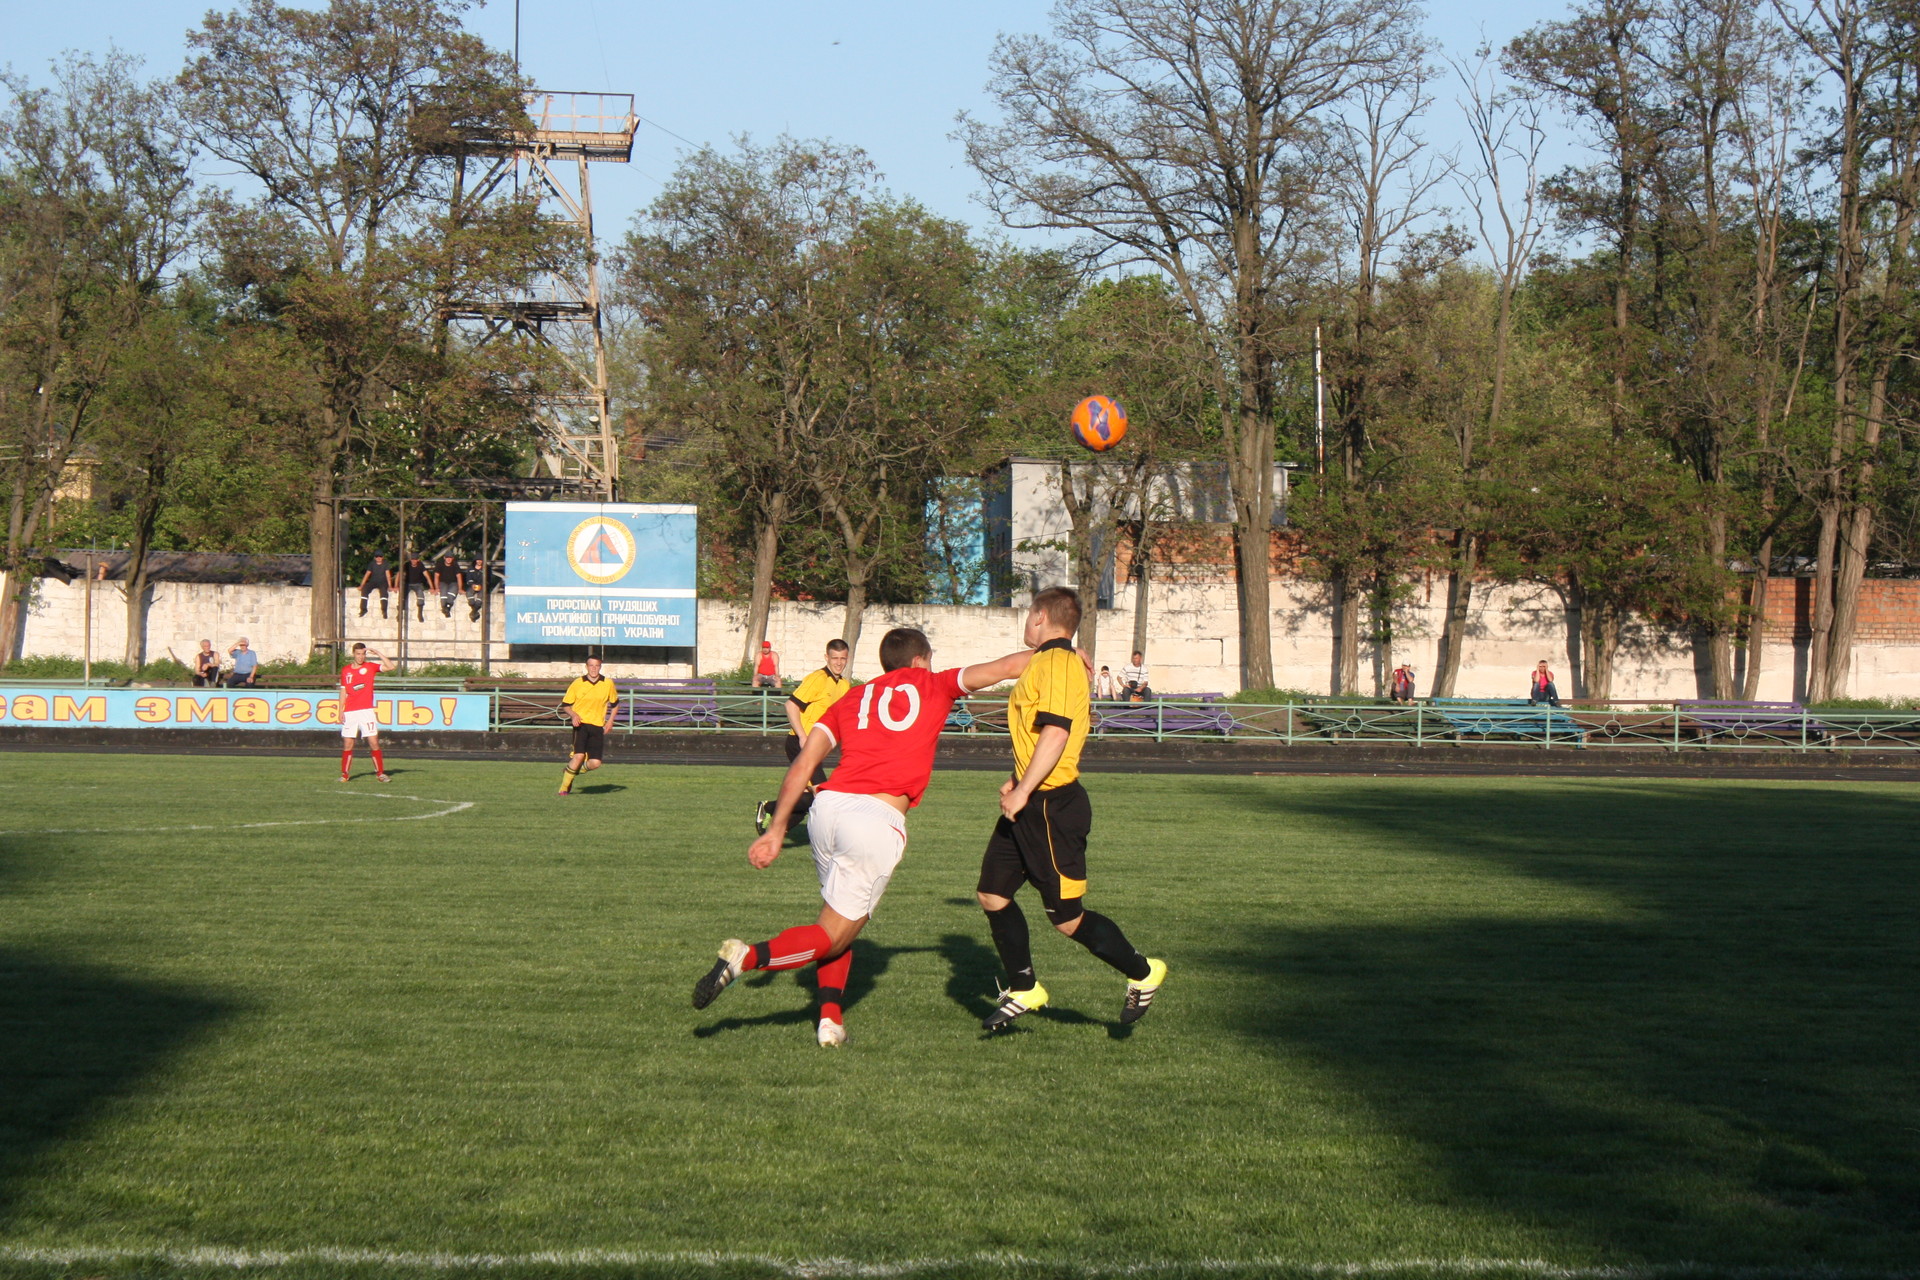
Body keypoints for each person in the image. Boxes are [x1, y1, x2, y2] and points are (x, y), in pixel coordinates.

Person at [694, 627, 1038, 1047]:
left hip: (827, 811)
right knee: (834, 934)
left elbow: (804, 762)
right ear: (919, 660)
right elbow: (1009, 667)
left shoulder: (851, 698)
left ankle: (830, 1022)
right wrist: (1065, 653)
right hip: (874, 820)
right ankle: (745, 958)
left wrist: (779, 827)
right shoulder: (934, 683)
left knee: (837, 922)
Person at [977, 587, 1167, 1032]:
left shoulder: (1060, 664)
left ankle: (1143, 972)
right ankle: (1024, 988)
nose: (1026, 622)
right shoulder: (1049, 660)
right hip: (1030, 801)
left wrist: (1024, 789)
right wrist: (1018, 776)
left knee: (1066, 919)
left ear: (1041, 616)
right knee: (992, 893)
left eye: (1028, 615)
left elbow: (1057, 733)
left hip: (1051, 808)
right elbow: (1034, 732)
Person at [756, 638, 852, 835]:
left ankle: (773, 823)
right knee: (821, 794)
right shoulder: (817, 678)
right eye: (835, 658)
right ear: (827, 657)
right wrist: (802, 736)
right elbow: (790, 706)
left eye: (843, 658)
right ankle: (834, 838)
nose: (839, 662)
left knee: (809, 798)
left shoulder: (843, 685)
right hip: (800, 744)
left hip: (816, 747)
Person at [557, 655, 620, 797]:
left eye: (597, 666)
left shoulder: (607, 683)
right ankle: (564, 789)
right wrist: (573, 715)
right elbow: (566, 705)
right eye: (591, 665)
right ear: (586, 667)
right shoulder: (577, 683)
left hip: (598, 726)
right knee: (578, 756)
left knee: (595, 763)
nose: (594, 668)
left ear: (600, 667)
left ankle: (572, 771)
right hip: (581, 724)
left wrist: (610, 721)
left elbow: (615, 704)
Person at [338, 642, 391, 783]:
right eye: (358, 654)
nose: (360, 657)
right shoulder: (346, 671)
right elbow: (343, 691)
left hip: (366, 711)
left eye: (363, 654)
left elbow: (391, 666)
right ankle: (345, 775)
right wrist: (340, 710)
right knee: (348, 744)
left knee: (373, 742)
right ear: (353, 654)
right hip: (350, 711)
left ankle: (380, 773)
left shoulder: (370, 667)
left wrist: (378, 653)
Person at [357, 553, 396, 618]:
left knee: (383, 592)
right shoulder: (372, 564)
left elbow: (388, 575)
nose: (378, 558)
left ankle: (384, 610)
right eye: (377, 556)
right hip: (373, 582)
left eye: (380, 556)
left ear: (382, 557)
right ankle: (363, 609)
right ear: (375, 557)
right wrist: (362, 585)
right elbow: (367, 574)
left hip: (383, 582)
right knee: (365, 589)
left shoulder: (385, 564)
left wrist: (390, 586)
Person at [434, 550, 464, 618]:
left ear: (452, 558)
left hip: (453, 583)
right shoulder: (440, 564)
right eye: (447, 557)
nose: (449, 559)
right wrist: (436, 588)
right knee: (443, 593)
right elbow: (436, 576)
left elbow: (459, 577)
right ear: (444, 558)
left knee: (453, 592)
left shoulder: (455, 565)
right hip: (443, 582)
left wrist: (460, 589)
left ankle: (447, 607)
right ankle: (444, 608)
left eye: (450, 557)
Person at [400, 554, 430, 622]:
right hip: (408, 583)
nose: (413, 561)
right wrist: (395, 585)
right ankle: (400, 614)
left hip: (418, 584)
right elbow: (400, 574)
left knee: (420, 595)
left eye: (415, 559)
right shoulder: (407, 565)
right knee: (402, 596)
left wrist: (432, 587)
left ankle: (420, 613)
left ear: (418, 560)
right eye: (412, 559)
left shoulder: (420, 565)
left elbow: (427, 576)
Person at [464, 556, 490, 622]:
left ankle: (474, 611)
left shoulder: (486, 569)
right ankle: (474, 609)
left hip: (482, 586)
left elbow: (488, 579)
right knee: (469, 593)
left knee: (481, 595)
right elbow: (468, 579)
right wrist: (472, 584)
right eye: (478, 560)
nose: (479, 561)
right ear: (475, 561)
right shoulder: (470, 569)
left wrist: (482, 585)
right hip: (472, 586)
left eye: (480, 560)